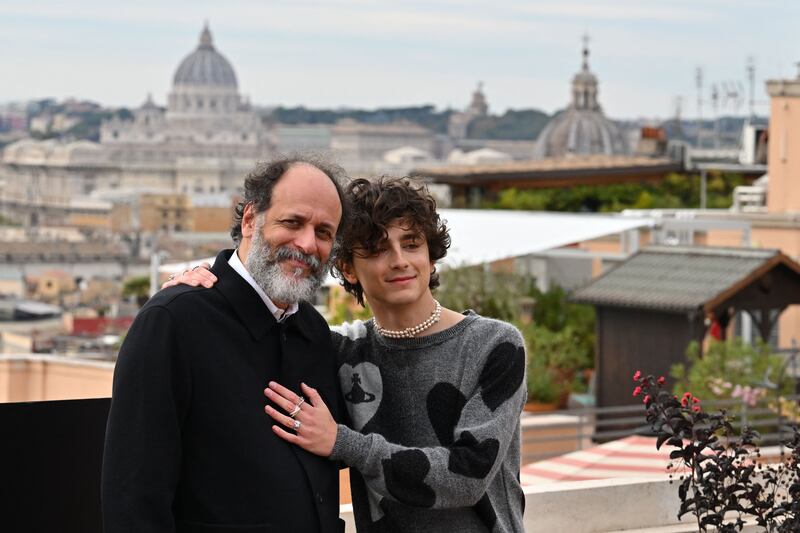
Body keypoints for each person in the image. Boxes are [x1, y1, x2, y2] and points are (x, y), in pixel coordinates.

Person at [172, 177, 527, 532]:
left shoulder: (495, 344)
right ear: (347, 269)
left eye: (412, 243)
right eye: (377, 249)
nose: (400, 260)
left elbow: (466, 477)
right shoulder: (340, 350)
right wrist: (196, 296)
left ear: (431, 258)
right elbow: (246, 349)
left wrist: (342, 443)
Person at [102, 155, 349, 533]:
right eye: (293, 222)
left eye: (324, 232)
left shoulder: (314, 331)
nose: (307, 243)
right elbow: (134, 498)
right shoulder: (173, 321)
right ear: (250, 219)